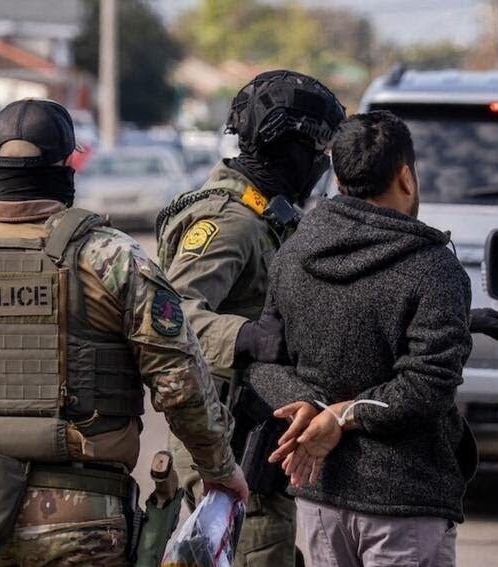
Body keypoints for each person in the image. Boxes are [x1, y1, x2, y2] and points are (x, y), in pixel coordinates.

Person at [0, 98, 248, 566]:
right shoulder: (112, 258)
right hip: (86, 518)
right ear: (68, 167)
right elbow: (180, 381)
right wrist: (218, 468)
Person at [249, 110, 479, 567]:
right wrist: (338, 414)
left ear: (338, 180)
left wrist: (308, 406)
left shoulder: (293, 252)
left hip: (320, 499)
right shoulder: (434, 267)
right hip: (405, 502)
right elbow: (427, 386)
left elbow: (264, 360)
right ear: (406, 177)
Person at [154, 69, 346, 567]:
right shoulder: (231, 222)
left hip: (250, 433)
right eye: (317, 150)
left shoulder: (266, 215)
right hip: (232, 439)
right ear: (289, 148)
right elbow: (169, 315)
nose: (321, 164)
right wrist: (247, 337)